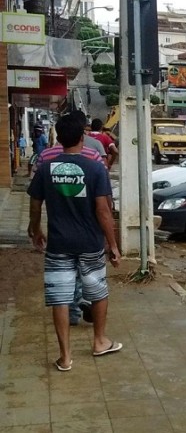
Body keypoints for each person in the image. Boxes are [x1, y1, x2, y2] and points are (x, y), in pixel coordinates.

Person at [27, 114, 122, 372]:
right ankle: (100, 341)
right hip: (90, 243)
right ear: (83, 138)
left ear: (58, 138)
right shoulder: (95, 169)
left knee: (60, 298)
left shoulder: (46, 167)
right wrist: (112, 244)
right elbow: (103, 210)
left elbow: (35, 204)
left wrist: (34, 229)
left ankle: (65, 357)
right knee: (97, 291)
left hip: (58, 244)